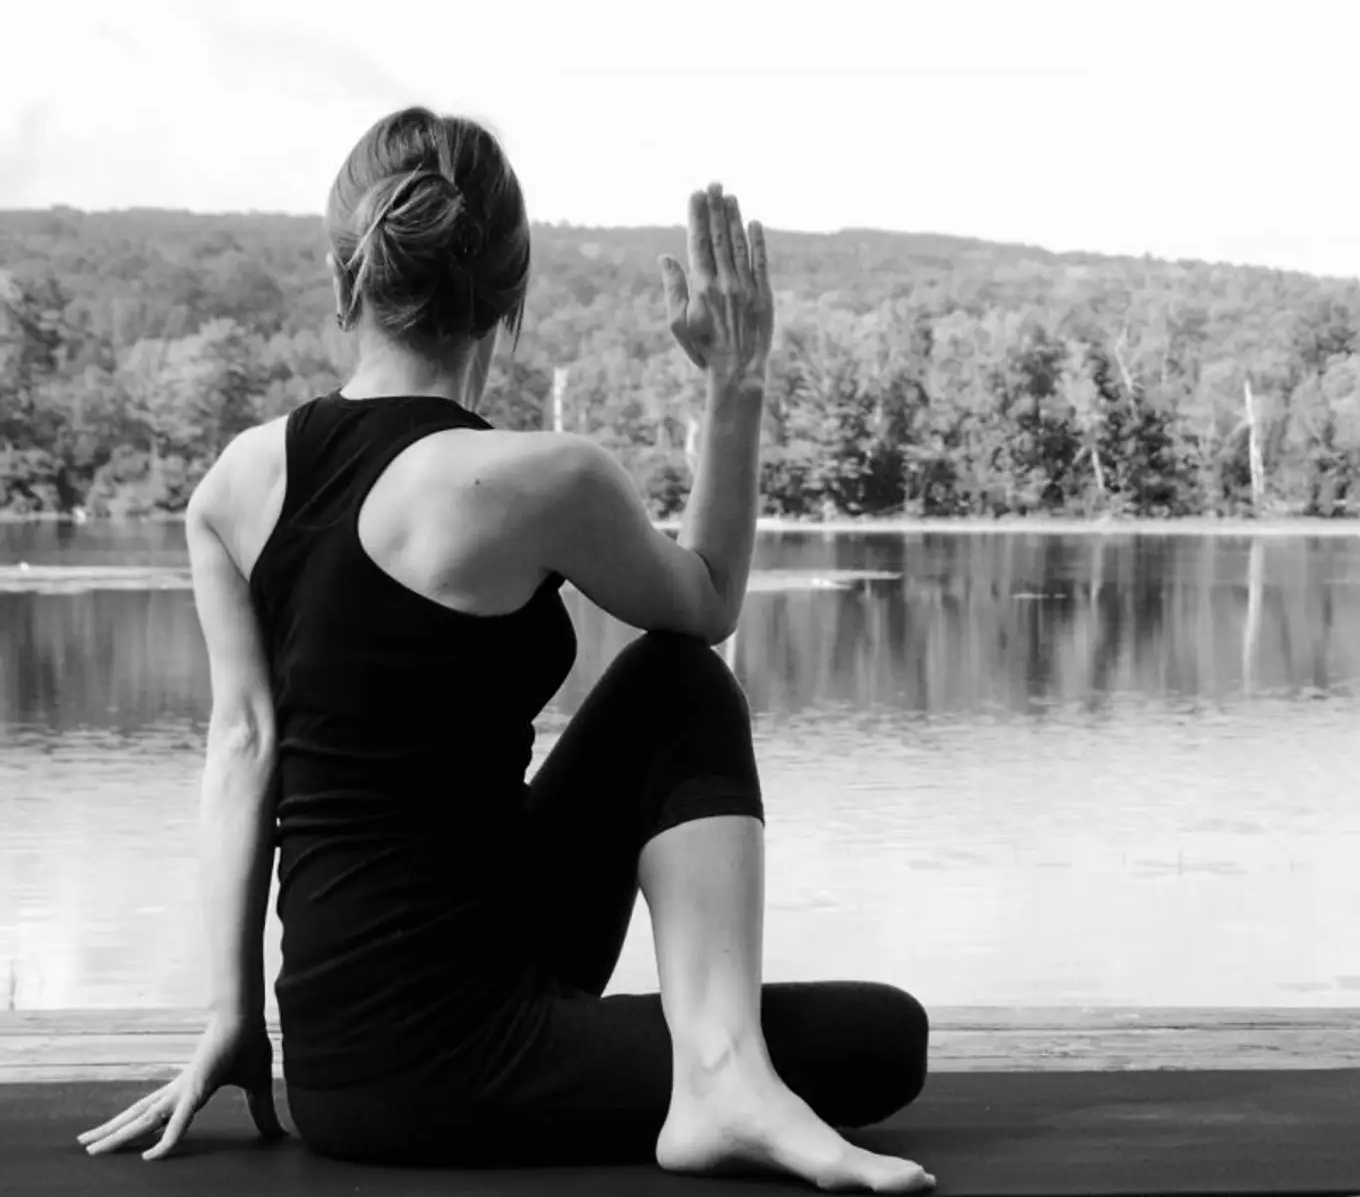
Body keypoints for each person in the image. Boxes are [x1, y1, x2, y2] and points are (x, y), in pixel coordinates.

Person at [75, 106, 936, 1190]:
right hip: (453, 1068)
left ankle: (720, 1071)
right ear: (508, 295)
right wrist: (736, 380)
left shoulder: (234, 485)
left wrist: (234, 1015)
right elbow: (708, 599)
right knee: (878, 1031)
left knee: (670, 685)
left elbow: (243, 750)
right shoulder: (539, 478)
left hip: (337, 1067)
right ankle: (720, 1074)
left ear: (346, 276)